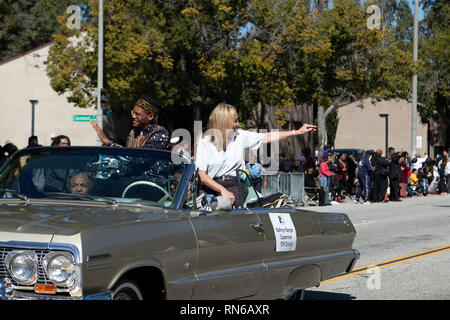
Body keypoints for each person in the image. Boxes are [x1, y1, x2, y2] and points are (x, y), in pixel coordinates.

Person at [195, 103, 316, 208]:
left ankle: (261, 204)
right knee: (200, 205)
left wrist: (297, 132)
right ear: (224, 122)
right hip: (210, 186)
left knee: (222, 205)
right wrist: (221, 190)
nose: (238, 123)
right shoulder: (204, 143)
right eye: (235, 120)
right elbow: (202, 175)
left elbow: (267, 136)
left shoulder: (239, 136)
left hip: (234, 185)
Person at [90, 95, 170, 150]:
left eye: (137, 114)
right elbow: (127, 156)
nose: (133, 116)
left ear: (150, 116)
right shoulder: (133, 133)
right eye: (133, 112)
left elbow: (141, 157)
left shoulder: (159, 132)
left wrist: (107, 142)